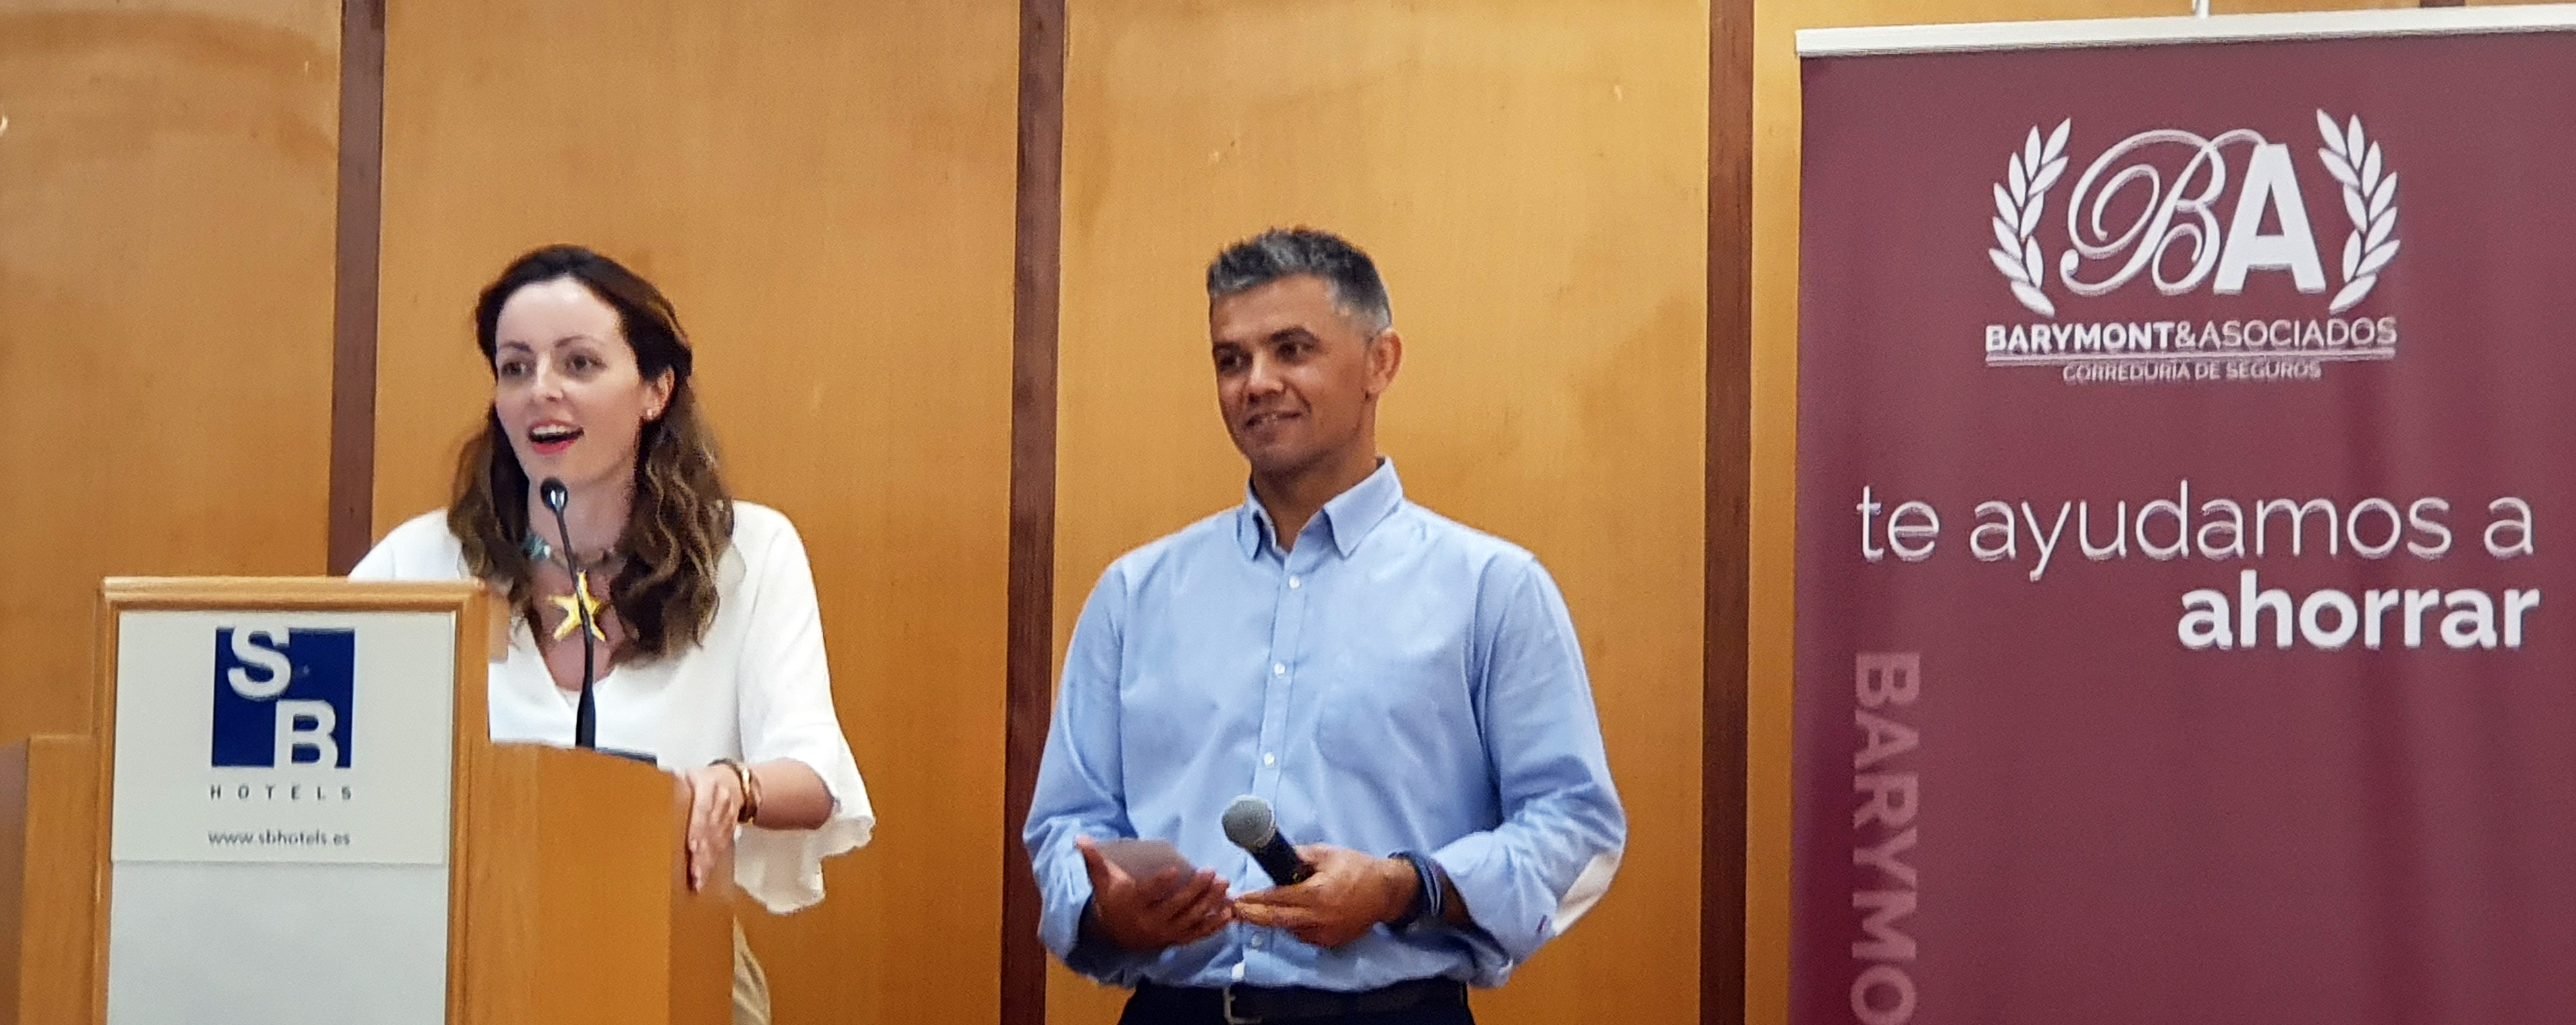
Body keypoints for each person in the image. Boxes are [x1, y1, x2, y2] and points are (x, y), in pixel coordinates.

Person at [1023, 228, 1626, 1024]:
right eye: (1231, 360)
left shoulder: (1492, 590)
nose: (1257, 384)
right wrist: (1108, 910)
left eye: (1292, 350)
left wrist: (1405, 887)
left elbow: (1575, 827)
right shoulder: (1135, 594)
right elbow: (1068, 825)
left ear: (1381, 362)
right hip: (1178, 1008)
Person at [350, 244, 873, 1025]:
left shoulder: (750, 554)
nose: (542, 391)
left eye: (580, 363)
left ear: (656, 390)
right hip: (459, 952)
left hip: (666, 944)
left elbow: (815, 774)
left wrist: (734, 786)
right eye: (516, 367)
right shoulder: (423, 560)